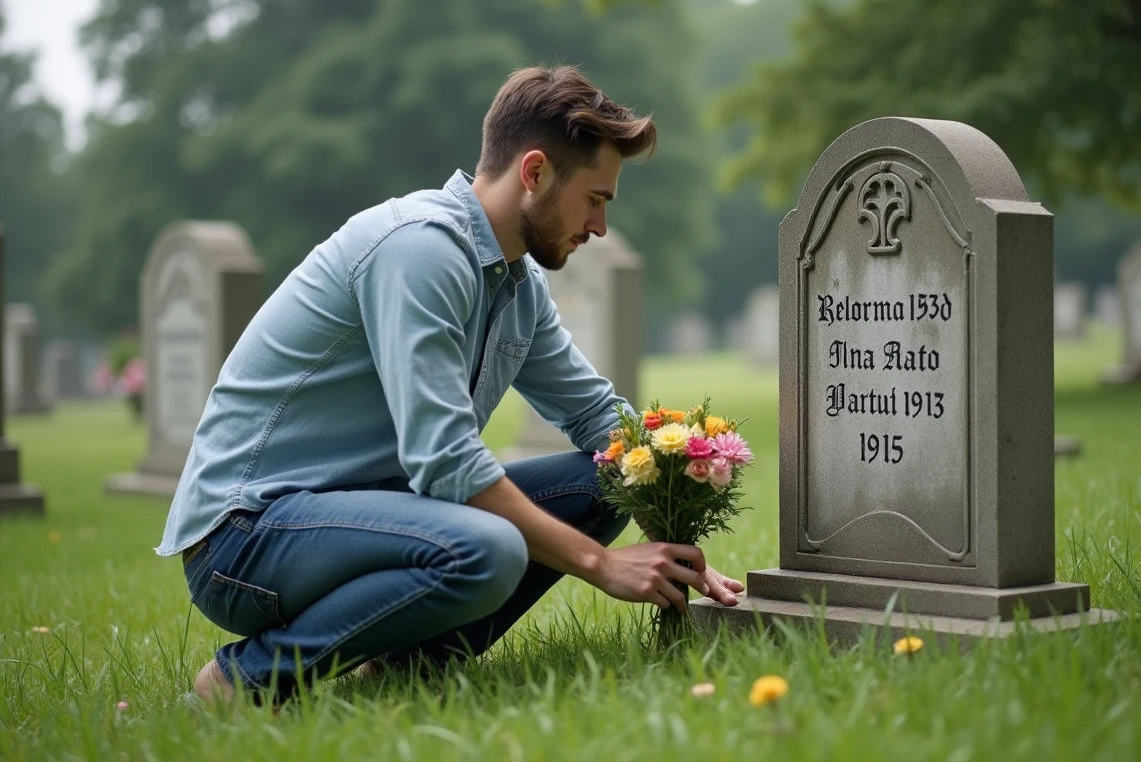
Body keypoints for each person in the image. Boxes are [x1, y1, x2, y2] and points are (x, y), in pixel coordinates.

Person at [156, 65, 744, 705]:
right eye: (596, 199)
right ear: (535, 172)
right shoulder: (420, 249)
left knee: (604, 479)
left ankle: (405, 667)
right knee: (488, 548)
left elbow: (600, 418)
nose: (599, 225)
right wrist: (601, 564)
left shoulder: (517, 284)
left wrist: (676, 541)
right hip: (246, 538)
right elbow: (444, 460)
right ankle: (242, 682)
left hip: (362, 516)